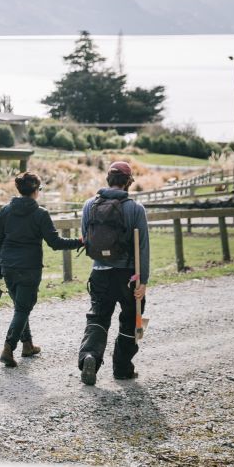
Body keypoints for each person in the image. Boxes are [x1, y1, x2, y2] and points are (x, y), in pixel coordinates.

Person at [0, 171, 83, 368]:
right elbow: (55, 242)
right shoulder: (40, 214)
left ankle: (28, 345)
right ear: (35, 191)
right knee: (23, 308)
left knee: (20, 308)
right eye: (39, 189)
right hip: (29, 267)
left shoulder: (5, 211)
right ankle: (8, 348)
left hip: (8, 265)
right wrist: (79, 241)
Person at [77, 161, 149, 386]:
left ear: (108, 180)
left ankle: (90, 357)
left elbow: (86, 238)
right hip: (128, 275)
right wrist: (143, 281)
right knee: (130, 319)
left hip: (99, 273)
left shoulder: (89, 205)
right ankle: (122, 369)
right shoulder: (135, 209)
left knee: (98, 317)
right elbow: (143, 247)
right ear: (128, 183)